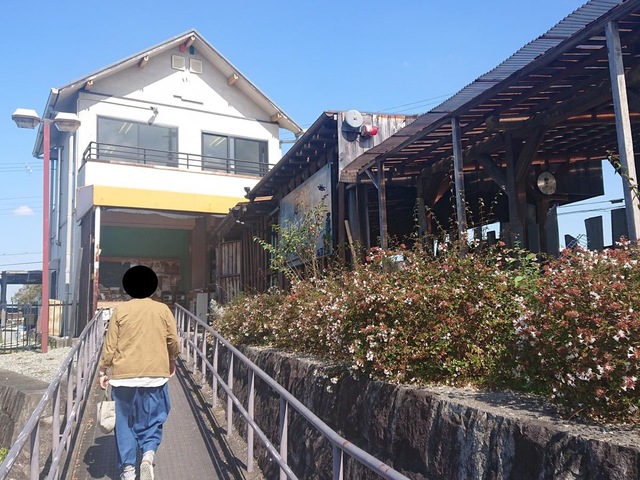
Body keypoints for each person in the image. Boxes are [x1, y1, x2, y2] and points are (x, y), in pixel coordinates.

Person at [98, 265, 179, 480]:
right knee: (153, 418)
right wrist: (172, 360)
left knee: (124, 423)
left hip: (123, 377)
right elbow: (173, 340)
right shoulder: (162, 310)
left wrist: (103, 370)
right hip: (154, 375)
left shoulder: (120, 311)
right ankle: (148, 456)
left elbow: (110, 344)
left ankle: (128, 469)